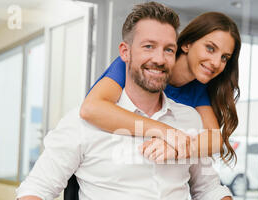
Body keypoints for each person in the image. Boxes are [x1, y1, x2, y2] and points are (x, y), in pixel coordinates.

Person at [16, 2, 258, 200]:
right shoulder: (85, 119)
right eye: (149, 46)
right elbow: (29, 195)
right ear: (125, 53)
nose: (159, 58)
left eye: (168, 49)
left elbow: (207, 187)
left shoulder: (188, 118)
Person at [79, 8, 241, 164]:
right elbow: (91, 108)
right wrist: (165, 131)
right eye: (210, 48)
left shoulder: (197, 89)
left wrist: (175, 149)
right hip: (106, 159)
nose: (216, 63)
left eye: (224, 58)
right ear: (187, 44)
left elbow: (214, 139)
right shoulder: (134, 65)